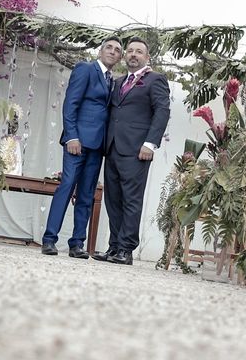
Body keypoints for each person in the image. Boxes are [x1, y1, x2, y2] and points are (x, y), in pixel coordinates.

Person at [41, 37, 123, 258]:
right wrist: (71, 137)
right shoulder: (85, 69)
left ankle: (77, 243)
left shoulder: (113, 81)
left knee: (87, 194)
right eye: (109, 47)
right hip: (77, 143)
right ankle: (49, 239)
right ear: (100, 50)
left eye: (117, 50)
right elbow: (71, 104)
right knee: (66, 186)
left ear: (120, 57)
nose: (113, 52)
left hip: (98, 146)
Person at [94, 37, 170, 265]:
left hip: (137, 150)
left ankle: (126, 250)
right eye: (130, 51)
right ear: (125, 56)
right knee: (113, 200)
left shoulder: (156, 80)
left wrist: (150, 144)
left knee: (131, 200)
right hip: (113, 148)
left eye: (139, 51)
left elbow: (162, 112)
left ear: (147, 58)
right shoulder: (117, 82)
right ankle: (114, 246)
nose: (133, 54)